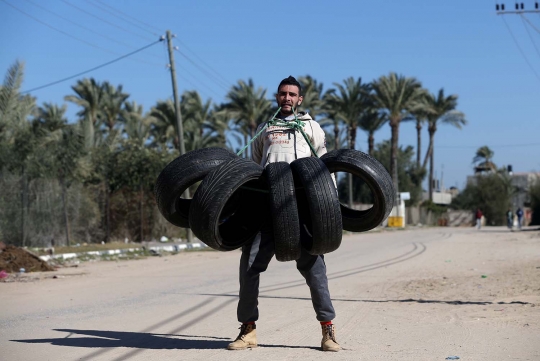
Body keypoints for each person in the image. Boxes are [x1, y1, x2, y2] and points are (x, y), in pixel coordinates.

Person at [227, 76, 340, 352]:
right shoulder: (266, 128)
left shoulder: (311, 127)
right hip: (268, 209)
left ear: (300, 99)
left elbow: (325, 170)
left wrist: (327, 207)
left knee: (315, 272)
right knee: (249, 267)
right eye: (282, 94)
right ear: (277, 98)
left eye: (292, 94)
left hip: (301, 209)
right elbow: (255, 166)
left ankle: (328, 331)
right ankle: (248, 329)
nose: (287, 98)